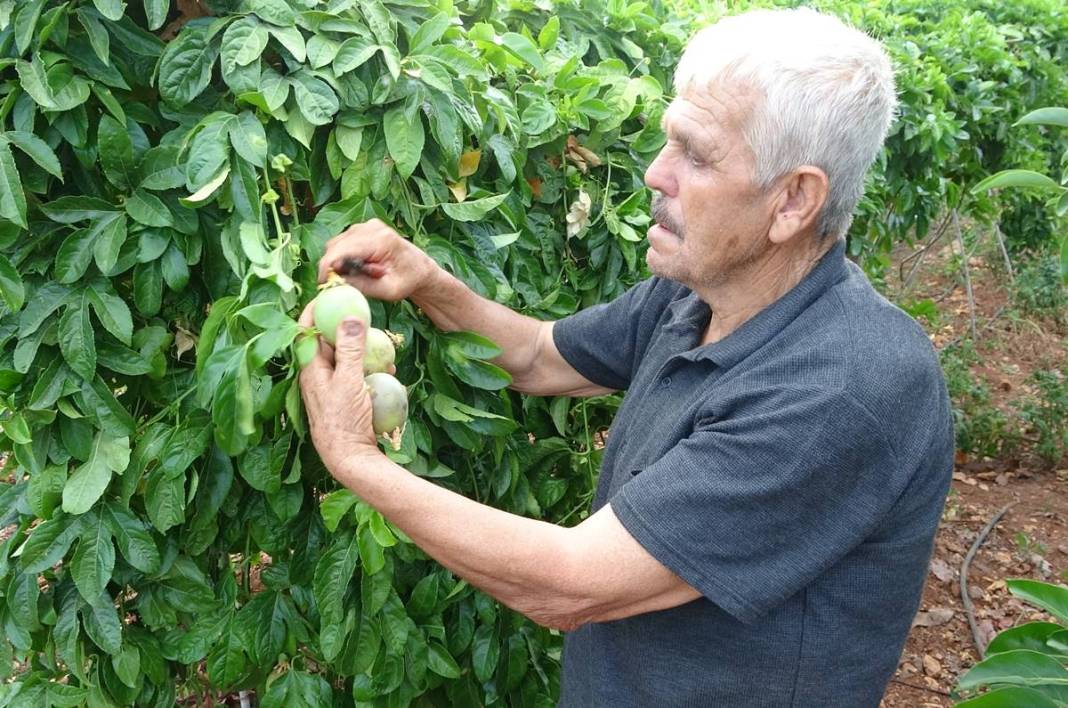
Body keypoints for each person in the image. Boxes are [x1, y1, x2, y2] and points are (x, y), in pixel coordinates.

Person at [298, 7, 955, 706]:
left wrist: (355, 457)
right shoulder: (699, 294)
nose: (654, 173)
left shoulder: (838, 391)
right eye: (668, 141)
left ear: (793, 200)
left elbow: (569, 584)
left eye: (696, 155)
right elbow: (538, 356)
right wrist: (428, 280)